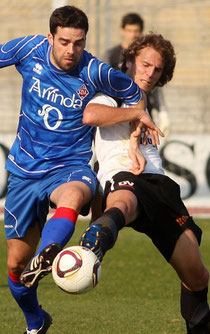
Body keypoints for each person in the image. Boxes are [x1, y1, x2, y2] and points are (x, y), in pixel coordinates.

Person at [1, 6, 162, 334]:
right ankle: (36, 321)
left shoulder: (96, 71)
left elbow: (135, 96)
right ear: (50, 38)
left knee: (73, 196)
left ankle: (50, 252)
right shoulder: (28, 49)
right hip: (24, 170)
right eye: (63, 42)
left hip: (70, 166)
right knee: (16, 266)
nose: (71, 50)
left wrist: (136, 126)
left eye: (78, 43)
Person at [80, 33, 210, 333]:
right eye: (145, 64)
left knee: (197, 276)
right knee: (126, 202)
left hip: (160, 187)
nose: (150, 73)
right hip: (124, 175)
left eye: (158, 69)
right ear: (129, 61)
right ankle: (96, 241)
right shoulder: (112, 90)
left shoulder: (142, 99)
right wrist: (135, 113)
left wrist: (139, 120)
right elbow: (91, 114)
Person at [103, 12, 170, 137]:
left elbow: (155, 86)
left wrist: (162, 111)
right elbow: (102, 80)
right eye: (129, 30)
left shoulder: (150, 55)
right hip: (117, 109)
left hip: (143, 108)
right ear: (123, 31)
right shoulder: (112, 54)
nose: (132, 35)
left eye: (136, 31)